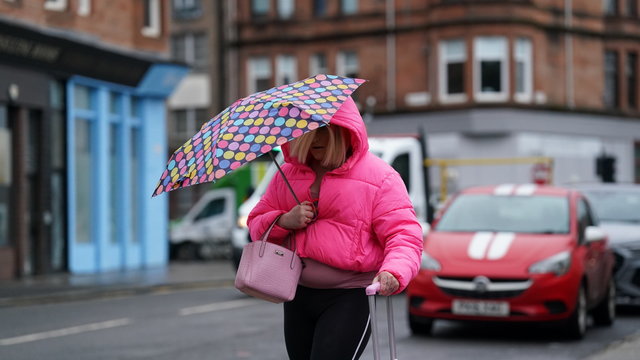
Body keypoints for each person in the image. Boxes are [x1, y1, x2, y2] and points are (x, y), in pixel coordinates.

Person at [247, 96, 423, 360]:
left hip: (350, 297)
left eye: (323, 130)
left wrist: (394, 272)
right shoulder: (288, 173)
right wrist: (284, 220)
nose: (314, 139)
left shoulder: (381, 177)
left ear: (343, 130)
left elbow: (404, 235)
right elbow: (255, 225)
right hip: (297, 294)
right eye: (306, 130)